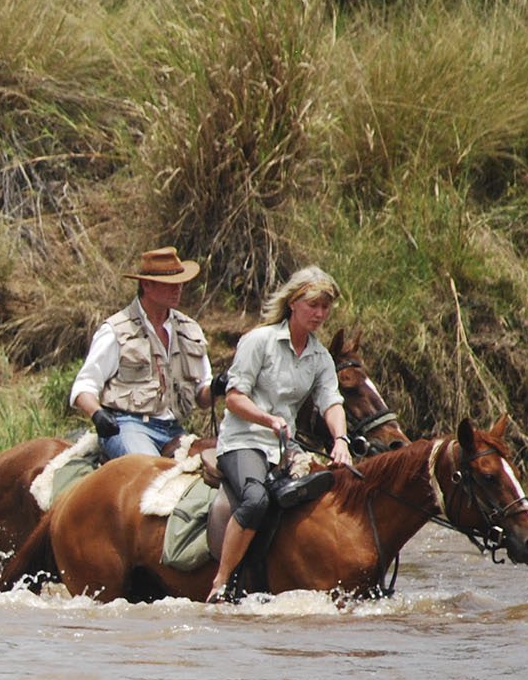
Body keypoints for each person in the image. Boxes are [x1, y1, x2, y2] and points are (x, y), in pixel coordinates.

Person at [207, 265, 352, 602]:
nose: (319, 314)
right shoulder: (259, 341)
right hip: (244, 441)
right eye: (312, 305)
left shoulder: (320, 357)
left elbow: (332, 402)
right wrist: (268, 419)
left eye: (325, 307)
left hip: (285, 447)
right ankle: (222, 581)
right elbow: (233, 397)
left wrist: (341, 440)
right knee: (255, 499)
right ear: (293, 303)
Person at [69, 246, 213, 461]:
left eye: (180, 283)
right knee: (149, 471)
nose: (178, 289)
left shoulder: (190, 330)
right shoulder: (116, 330)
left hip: (176, 430)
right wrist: (97, 414)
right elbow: (85, 386)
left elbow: (203, 396)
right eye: (170, 284)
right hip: (128, 426)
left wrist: (219, 387)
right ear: (146, 285)